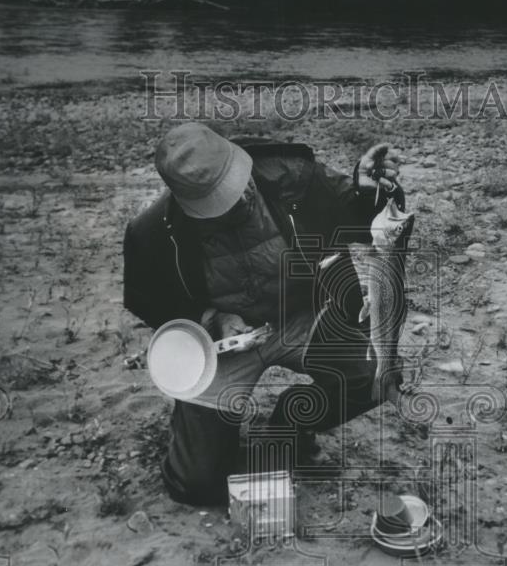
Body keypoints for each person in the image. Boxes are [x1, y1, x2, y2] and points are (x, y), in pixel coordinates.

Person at [123, 122, 404, 506]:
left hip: (305, 315)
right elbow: (148, 301)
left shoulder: (292, 176)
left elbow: (364, 222)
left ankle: (291, 420)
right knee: (196, 485)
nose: (239, 200)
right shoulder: (154, 233)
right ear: (186, 203)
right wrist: (210, 318)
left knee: (374, 374)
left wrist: (366, 189)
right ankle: (197, 428)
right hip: (226, 345)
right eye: (217, 201)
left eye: (235, 185)